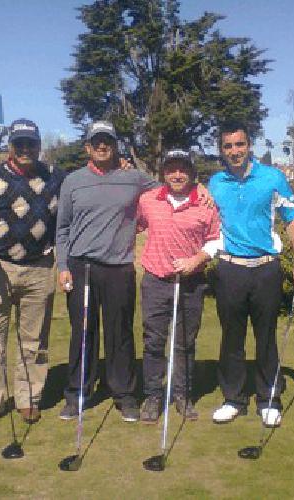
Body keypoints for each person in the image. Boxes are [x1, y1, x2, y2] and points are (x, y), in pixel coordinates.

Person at [54, 121, 212, 423]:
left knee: (120, 334)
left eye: (108, 142)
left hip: (119, 267)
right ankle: (77, 393)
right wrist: (62, 266)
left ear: (115, 146)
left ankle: (124, 394)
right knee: (83, 333)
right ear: (87, 147)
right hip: (81, 265)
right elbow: (62, 228)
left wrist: (199, 185)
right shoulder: (72, 181)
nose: (102, 146)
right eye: (96, 142)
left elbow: (173, 187)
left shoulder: (135, 178)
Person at [0, 118, 66, 428]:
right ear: (10, 145)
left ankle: (28, 399)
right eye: (19, 144)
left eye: (30, 144)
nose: (25, 149)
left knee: (34, 339)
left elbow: (83, 191)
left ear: (39, 146)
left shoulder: (56, 177)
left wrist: (124, 167)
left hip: (40, 268)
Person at [207, 123, 294, 428]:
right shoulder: (215, 182)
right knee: (231, 338)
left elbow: (291, 220)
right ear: (221, 150)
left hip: (265, 268)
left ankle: (268, 399)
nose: (234, 151)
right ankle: (233, 398)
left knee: (266, 338)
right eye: (228, 146)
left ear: (249, 145)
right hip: (229, 269)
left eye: (239, 145)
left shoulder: (272, 178)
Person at [134, 149, 221, 423]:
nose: (177, 174)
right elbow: (131, 225)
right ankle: (153, 395)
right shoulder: (148, 200)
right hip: (156, 281)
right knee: (154, 342)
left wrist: (197, 259)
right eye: (171, 169)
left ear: (192, 173)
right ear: (164, 173)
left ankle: (182, 394)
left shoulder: (206, 204)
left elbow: (216, 239)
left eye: (183, 169)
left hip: (191, 283)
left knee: (184, 343)